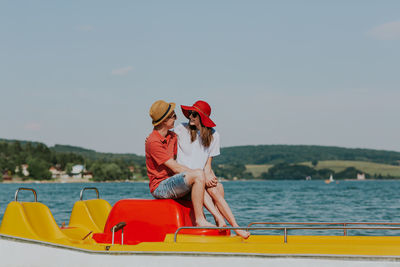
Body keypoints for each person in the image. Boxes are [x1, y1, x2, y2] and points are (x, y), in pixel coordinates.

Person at [174, 100, 250, 239]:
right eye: (190, 113)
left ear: (202, 117)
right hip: (185, 178)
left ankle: (234, 227)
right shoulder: (181, 129)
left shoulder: (214, 136)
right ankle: (219, 218)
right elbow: (165, 138)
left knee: (217, 187)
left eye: (194, 114)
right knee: (203, 184)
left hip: (201, 175)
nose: (190, 116)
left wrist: (210, 176)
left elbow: (208, 165)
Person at [145, 100, 214, 227]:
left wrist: (208, 172)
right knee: (198, 176)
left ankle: (221, 223)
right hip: (160, 186)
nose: (176, 118)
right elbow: (176, 168)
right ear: (165, 120)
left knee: (216, 187)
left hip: (173, 181)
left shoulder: (172, 136)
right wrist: (198, 174)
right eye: (173, 116)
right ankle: (199, 220)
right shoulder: (153, 142)